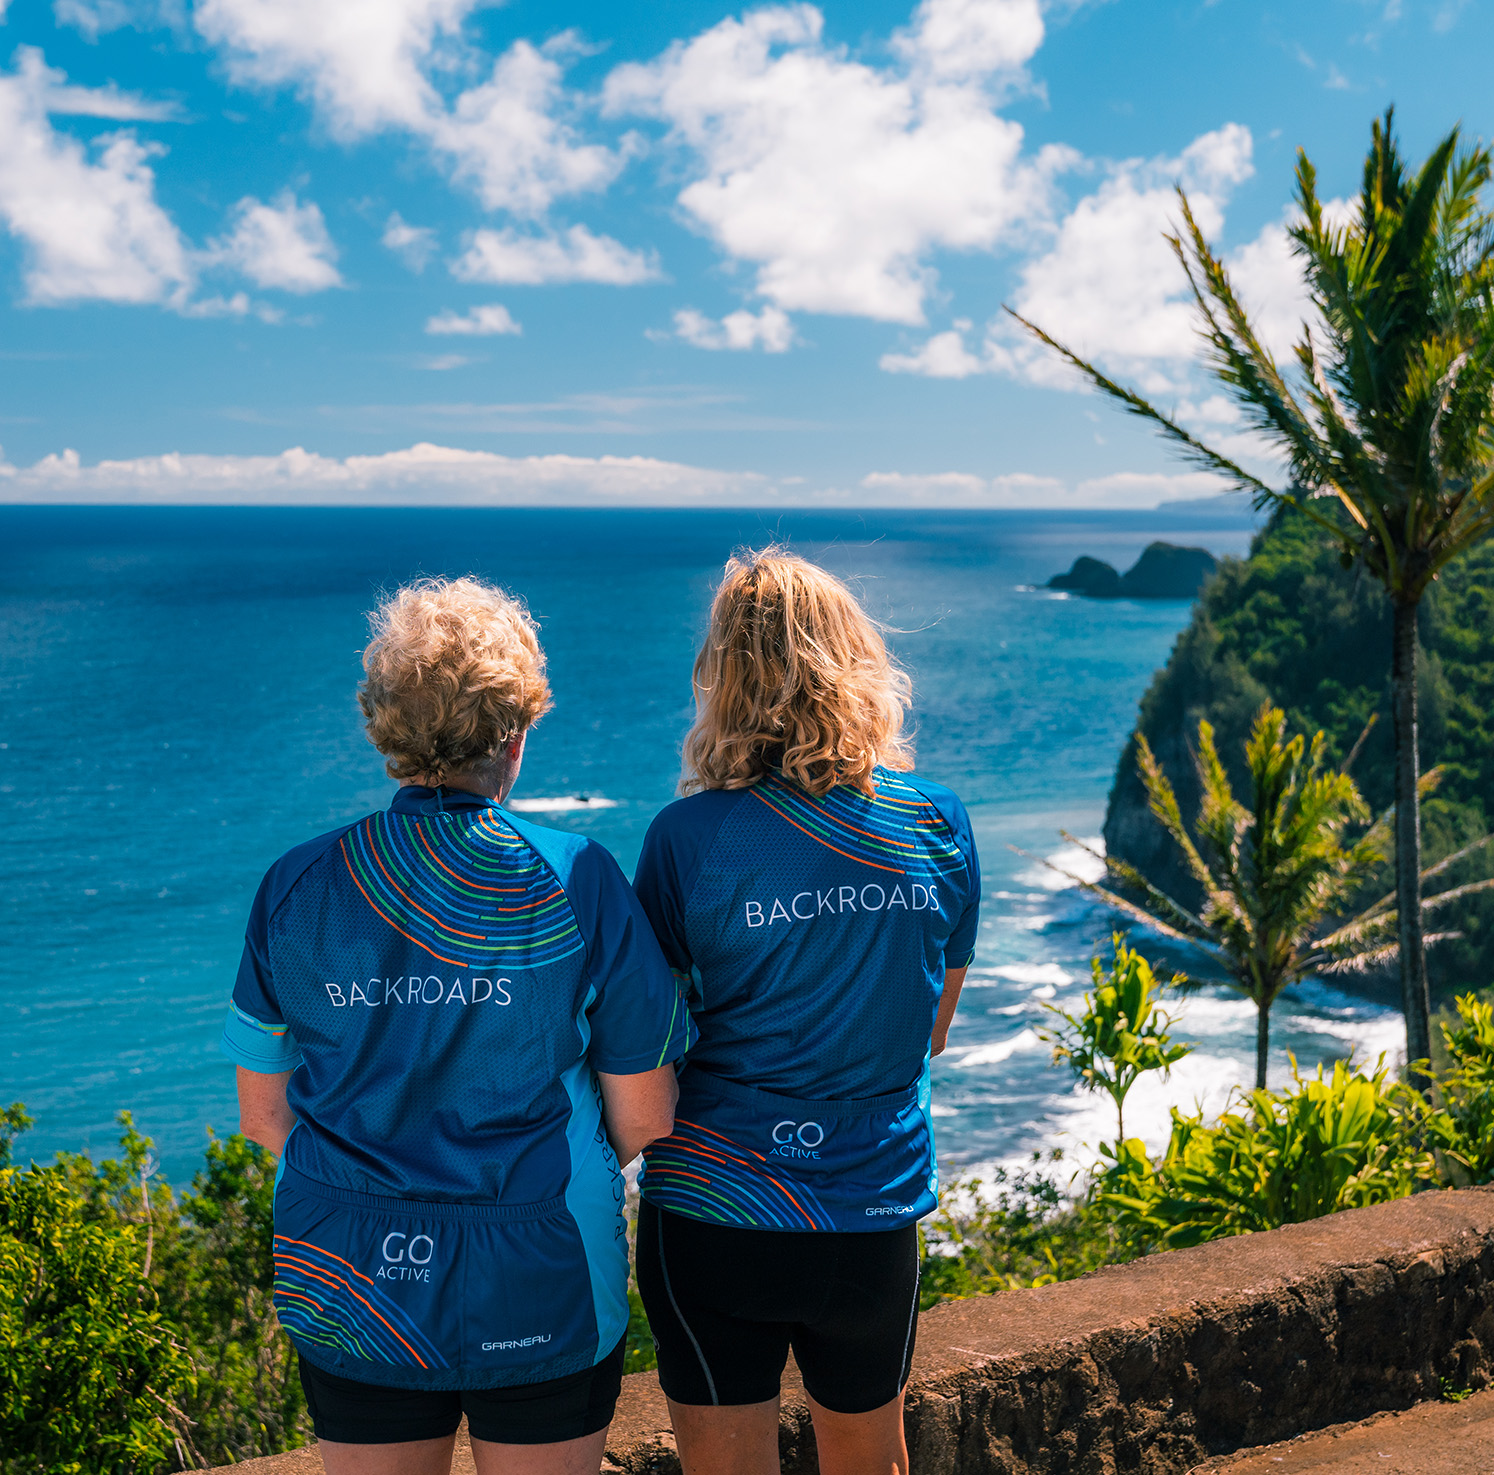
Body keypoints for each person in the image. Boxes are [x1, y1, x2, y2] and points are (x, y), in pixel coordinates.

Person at [221, 576, 694, 1475]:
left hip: (349, 1264)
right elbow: (647, 1116)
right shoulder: (576, 878)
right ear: (517, 734)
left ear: (385, 728)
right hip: (538, 1261)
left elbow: (263, 1115)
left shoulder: (296, 882)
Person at [631, 548, 980, 1475]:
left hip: (715, 1207)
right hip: (868, 1204)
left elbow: (649, 1047)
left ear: (725, 679)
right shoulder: (935, 824)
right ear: (855, 662)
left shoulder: (685, 840)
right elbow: (929, 1032)